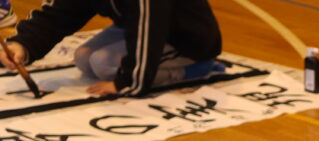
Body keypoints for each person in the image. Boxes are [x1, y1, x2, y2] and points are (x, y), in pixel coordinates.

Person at [1, 0, 222, 97]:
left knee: (103, 64)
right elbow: (60, 13)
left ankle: (196, 67)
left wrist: (128, 82)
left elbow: (149, 27)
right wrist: (23, 45)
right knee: (84, 57)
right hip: (138, 26)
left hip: (188, 40)